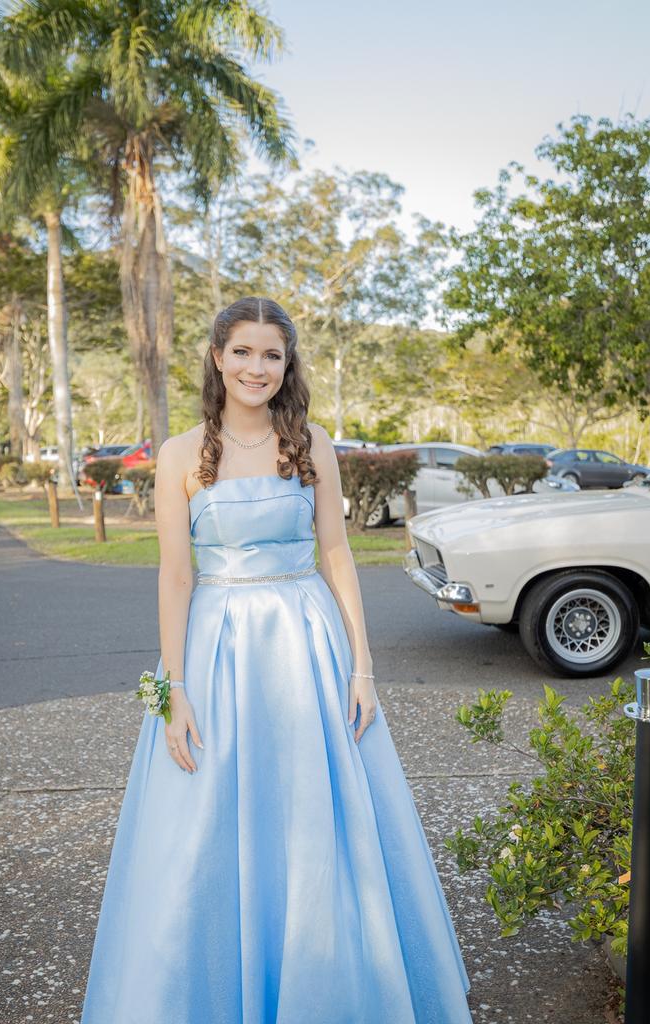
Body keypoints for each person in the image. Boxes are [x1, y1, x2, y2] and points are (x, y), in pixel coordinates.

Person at [80, 297, 473, 1024]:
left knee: (314, 812)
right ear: (216, 357)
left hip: (306, 645)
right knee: (206, 820)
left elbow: (336, 554)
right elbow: (175, 576)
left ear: (287, 365)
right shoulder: (178, 455)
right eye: (242, 352)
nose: (255, 367)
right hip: (216, 650)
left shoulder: (310, 442)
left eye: (271, 355)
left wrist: (362, 666)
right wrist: (175, 691)